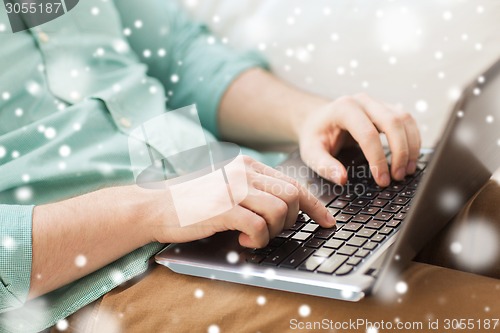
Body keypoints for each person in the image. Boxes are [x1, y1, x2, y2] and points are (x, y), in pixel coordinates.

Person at [0, 1, 497, 332]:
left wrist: (308, 118)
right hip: (108, 283)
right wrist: (155, 208)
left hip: (258, 193)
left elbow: (180, 56)